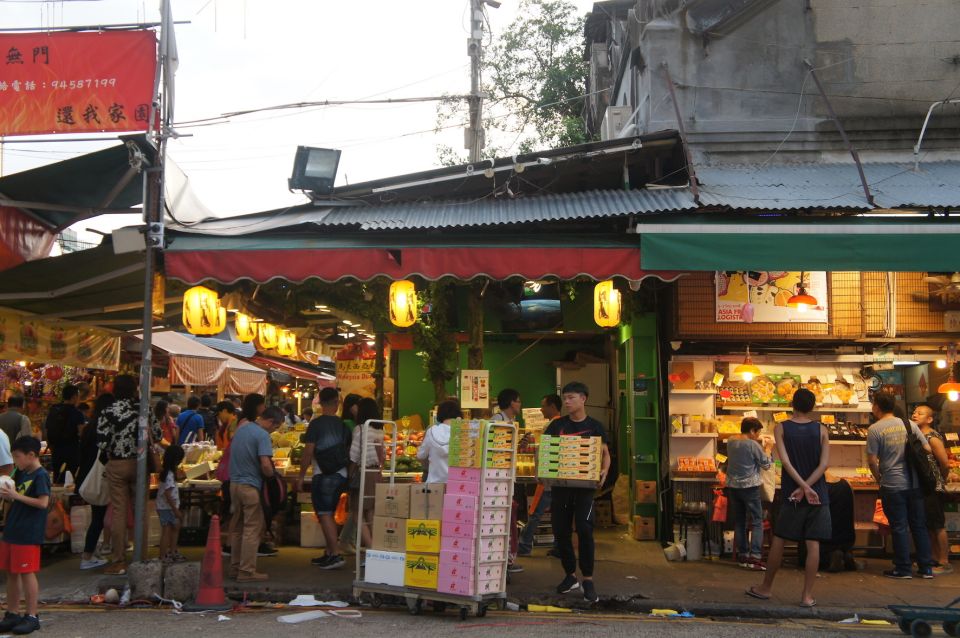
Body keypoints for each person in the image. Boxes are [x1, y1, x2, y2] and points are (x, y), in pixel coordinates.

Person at [746, 388, 830, 608]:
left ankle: (765, 588)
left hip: (792, 494)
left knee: (780, 540)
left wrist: (801, 487)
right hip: (817, 494)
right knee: (813, 544)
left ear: (792, 404)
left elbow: (784, 461)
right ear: (813, 407)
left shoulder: (781, 428)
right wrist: (809, 488)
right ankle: (807, 596)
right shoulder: (821, 429)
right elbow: (824, 465)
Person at [547, 382, 611, 604]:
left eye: (571, 398)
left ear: (583, 399)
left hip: (585, 491)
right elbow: (546, 452)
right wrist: (541, 469)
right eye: (564, 398)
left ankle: (589, 580)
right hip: (561, 489)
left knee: (584, 530)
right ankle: (570, 575)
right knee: (561, 532)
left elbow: (605, 454)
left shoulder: (595, 427)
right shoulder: (556, 426)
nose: (566, 402)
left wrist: (604, 470)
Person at [97, 374, 161, 575]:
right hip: (141, 464)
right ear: (135, 389)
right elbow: (158, 435)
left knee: (118, 512)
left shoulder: (109, 411)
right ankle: (141, 556)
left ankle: (118, 559)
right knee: (141, 510)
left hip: (117, 464)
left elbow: (101, 441)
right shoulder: (143, 409)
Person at [867, 392, 934, 579]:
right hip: (914, 483)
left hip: (892, 485)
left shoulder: (875, 429)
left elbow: (872, 461)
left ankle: (903, 569)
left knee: (899, 527)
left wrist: (880, 478)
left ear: (877, 407)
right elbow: (927, 449)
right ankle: (926, 568)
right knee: (919, 526)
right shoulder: (909, 424)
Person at [0, 436, 51, 635]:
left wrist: (15, 496)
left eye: (17, 456)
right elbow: (14, 499)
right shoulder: (21, 473)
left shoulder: (40, 475)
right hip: (13, 529)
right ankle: (12, 612)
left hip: (29, 531)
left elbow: (43, 503)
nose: (15, 461)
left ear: (31, 455)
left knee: (26, 572)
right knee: (11, 572)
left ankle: (31, 615)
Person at [297, 387, 351, 570]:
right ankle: (329, 552)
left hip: (323, 474)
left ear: (319, 403)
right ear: (336, 402)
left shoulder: (316, 424)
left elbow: (308, 452)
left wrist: (301, 476)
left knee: (325, 514)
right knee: (329, 513)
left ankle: (335, 554)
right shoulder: (343, 425)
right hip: (341, 474)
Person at [228, 406, 281, 582]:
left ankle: (235, 568)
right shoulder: (262, 435)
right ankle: (247, 571)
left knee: (237, 528)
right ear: (271, 422)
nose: (274, 431)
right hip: (250, 486)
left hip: (234, 485)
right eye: (275, 428)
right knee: (252, 528)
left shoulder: (241, 429)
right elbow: (266, 465)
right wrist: (272, 477)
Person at [726, 417, 773, 570]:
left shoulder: (731, 441)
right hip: (750, 487)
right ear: (752, 430)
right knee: (757, 521)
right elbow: (766, 465)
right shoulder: (753, 445)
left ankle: (743, 555)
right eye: (757, 433)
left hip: (733, 487)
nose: (758, 436)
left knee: (739, 521)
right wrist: (768, 449)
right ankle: (755, 557)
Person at [518, 394, 562, 558]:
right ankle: (558, 547)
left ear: (552, 406)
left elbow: (547, 451)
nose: (541, 409)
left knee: (536, 513)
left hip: (549, 479)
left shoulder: (555, 425)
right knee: (556, 514)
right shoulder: (556, 424)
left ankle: (524, 546)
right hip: (553, 478)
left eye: (543, 406)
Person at [77, 393, 114, 570]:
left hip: (87, 475)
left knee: (97, 516)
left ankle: (92, 551)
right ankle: (87, 555)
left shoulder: (90, 426)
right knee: (98, 518)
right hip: (98, 477)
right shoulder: (104, 427)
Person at [914, 403, 952, 574]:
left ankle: (944, 561)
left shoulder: (932, 437)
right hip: (922, 486)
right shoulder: (916, 436)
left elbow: (944, 463)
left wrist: (940, 480)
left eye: (920, 413)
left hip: (933, 486)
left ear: (929, 419)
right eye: (914, 412)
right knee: (928, 524)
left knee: (937, 524)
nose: (915, 415)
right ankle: (933, 558)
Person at [347, 397, 385, 550]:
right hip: (377, 473)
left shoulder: (360, 429)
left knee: (357, 513)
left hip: (364, 473)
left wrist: (349, 474)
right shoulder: (380, 429)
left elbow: (354, 456)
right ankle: (376, 548)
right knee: (371, 512)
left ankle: (370, 548)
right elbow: (383, 455)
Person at [44, 384, 85, 483]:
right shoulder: (77, 413)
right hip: (72, 450)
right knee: (72, 477)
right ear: (74, 397)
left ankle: (57, 496)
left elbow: (46, 429)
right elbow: (81, 433)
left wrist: (51, 446)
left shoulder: (54, 410)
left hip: (56, 450)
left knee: (58, 477)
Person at [418, 399, 461, 484]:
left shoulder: (431, 431)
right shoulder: (463, 432)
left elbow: (421, 456)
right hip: (456, 484)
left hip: (434, 484)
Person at [157, 445, 185, 563]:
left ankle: (173, 552)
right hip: (167, 507)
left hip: (167, 506)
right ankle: (163, 555)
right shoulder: (169, 475)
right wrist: (175, 510)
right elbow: (168, 494)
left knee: (175, 528)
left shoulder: (168, 473)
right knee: (167, 530)